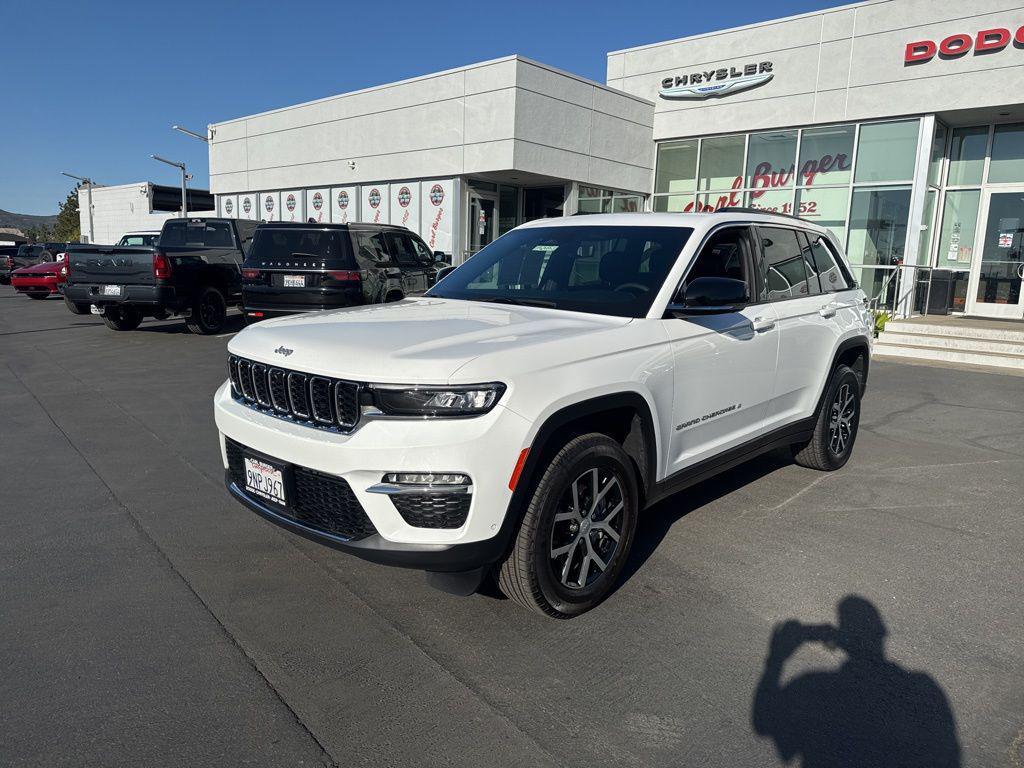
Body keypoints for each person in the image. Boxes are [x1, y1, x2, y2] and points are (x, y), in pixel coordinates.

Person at [752, 595, 960, 767]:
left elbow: (763, 722)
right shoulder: (920, 688)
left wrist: (776, 659)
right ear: (882, 633)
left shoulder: (815, 689)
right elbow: (948, 754)